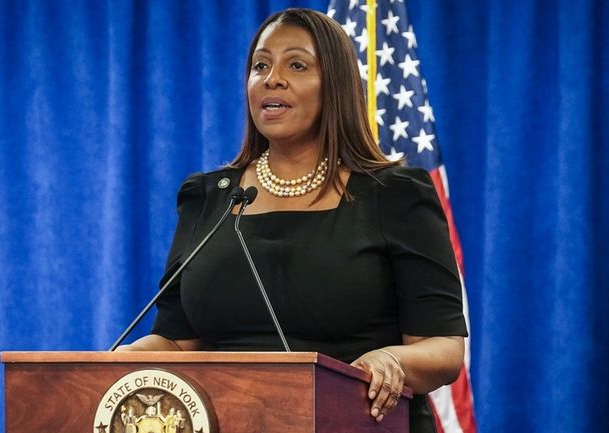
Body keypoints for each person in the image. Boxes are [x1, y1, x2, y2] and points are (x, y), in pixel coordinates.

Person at [118, 8, 467, 432]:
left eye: (296, 65)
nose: (272, 78)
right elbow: (175, 340)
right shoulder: (210, 198)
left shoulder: (393, 194)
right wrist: (112, 368)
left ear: (334, 86)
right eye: (260, 65)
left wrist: (391, 359)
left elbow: (443, 348)